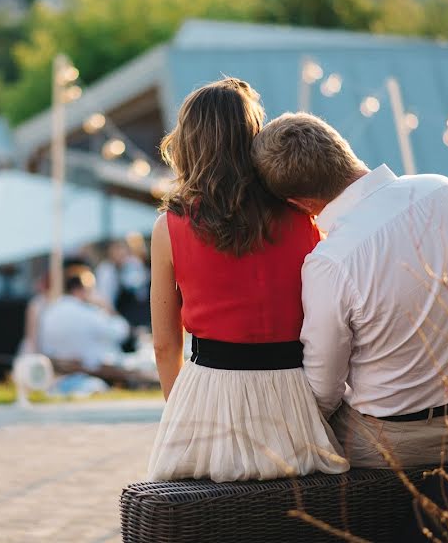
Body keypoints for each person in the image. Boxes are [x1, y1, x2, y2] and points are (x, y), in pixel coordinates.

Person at [251, 112, 448, 468]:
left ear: (299, 204)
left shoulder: (331, 260)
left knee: (272, 440)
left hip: (393, 444)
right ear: (342, 148)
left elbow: (323, 389)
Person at [147, 78, 349, 483]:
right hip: (293, 393)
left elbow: (165, 343)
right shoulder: (302, 218)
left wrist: (179, 412)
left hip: (208, 392)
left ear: (187, 142)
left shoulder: (171, 226)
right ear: (254, 137)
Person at [37, 268, 130, 371]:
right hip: (89, 371)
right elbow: (121, 332)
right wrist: (108, 308)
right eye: (90, 290)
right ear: (79, 290)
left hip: (59, 368)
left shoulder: (50, 311)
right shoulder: (88, 312)